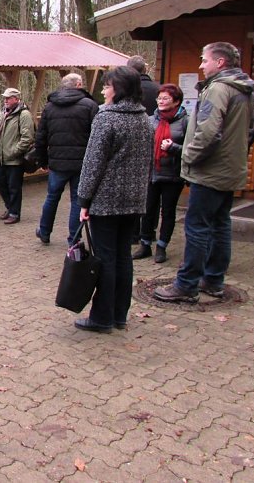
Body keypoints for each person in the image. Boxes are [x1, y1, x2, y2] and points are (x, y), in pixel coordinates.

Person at [154, 42, 254, 303]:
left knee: (197, 227)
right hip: (230, 169)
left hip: (210, 171)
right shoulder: (247, 90)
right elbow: (253, 131)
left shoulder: (218, 89)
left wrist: (189, 156)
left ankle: (186, 285)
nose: (201, 65)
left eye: (204, 60)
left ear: (220, 62)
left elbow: (208, 132)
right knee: (220, 224)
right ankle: (213, 280)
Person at [74, 66, 153, 333]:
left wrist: (83, 199)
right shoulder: (144, 118)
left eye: (106, 86)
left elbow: (92, 163)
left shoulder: (106, 118)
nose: (103, 91)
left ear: (117, 89)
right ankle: (119, 314)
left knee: (106, 259)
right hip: (134, 201)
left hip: (107, 201)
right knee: (123, 258)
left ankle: (102, 318)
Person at [35, 73, 98, 245]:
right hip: (82, 164)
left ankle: (44, 231)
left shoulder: (50, 106)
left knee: (52, 197)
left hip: (57, 162)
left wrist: (42, 161)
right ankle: (74, 238)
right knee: (77, 201)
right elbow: (97, 136)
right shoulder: (90, 105)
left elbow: (41, 137)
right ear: (78, 84)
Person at [132, 84, 188, 264]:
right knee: (147, 210)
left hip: (173, 174)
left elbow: (189, 149)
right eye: (159, 98)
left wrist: (173, 148)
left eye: (166, 99)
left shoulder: (186, 122)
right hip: (151, 173)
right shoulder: (151, 120)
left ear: (176, 101)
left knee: (168, 211)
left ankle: (162, 246)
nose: (161, 102)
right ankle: (145, 244)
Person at [0, 88, 35, 224]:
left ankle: (15, 213)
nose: (5, 100)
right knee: (0, 183)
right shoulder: (2, 113)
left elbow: (27, 138)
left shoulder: (24, 114)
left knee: (14, 187)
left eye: (8, 98)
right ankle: (10, 208)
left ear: (16, 99)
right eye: (4, 98)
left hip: (14, 159)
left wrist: (14, 152)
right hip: (1, 157)